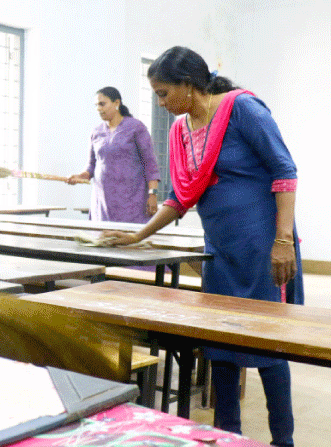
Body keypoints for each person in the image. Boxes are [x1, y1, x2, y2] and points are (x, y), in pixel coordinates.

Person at [104, 46, 302, 447]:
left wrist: (283, 241)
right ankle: (228, 435)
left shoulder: (241, 109)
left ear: (189, 85)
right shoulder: (181, 131)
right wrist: (140, 235)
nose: (161, 104)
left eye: (163, 93)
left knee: (268, 346)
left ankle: (284, 440)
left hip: (263, 248)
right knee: (222, 344)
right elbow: (180, 196)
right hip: (221, 252)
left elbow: (285, 170)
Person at [67, 87, 161, 223]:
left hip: (132, 202)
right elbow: (91, 166)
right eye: (96, 105)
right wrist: (80, 176)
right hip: (102, 202)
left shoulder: (136, 128)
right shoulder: (96, 132)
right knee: (102, 240)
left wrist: (153, 194)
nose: (98, 109)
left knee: (129, 240)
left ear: (117, 103)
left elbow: (150, 165)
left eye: (102, 104)